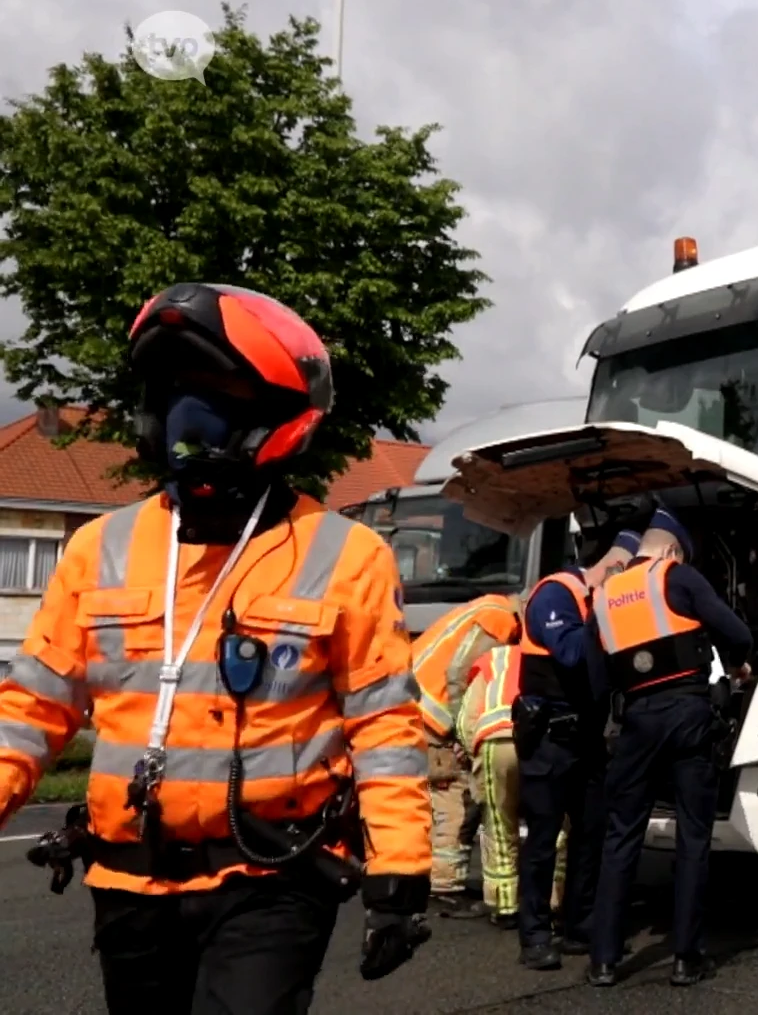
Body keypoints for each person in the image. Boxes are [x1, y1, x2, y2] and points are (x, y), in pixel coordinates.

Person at [0, 282, 433, 1013]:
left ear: (277, 416)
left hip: (274, 876)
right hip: (131, 882)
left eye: (220, 393)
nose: (189, 417)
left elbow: (385, 725)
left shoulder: (344, 554)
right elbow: (30, 711)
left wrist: (400, 871)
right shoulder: (99, 548)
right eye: (176, 393)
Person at [587, 509, 753, 988]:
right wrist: (739, 666)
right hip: (688, 718)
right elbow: (737, 633)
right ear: (672, 550)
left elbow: (599, 683)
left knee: (621, 839)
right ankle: (686, 958)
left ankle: (603, 961)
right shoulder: (676, 576)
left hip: (637, 721)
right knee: (693, 838)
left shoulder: (603, 597)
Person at [512, 515, 632, 970]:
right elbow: (570, 652)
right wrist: (603, 606)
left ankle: (578, 924)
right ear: (614, 563)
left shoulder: (596, 602)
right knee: (543, 840)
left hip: (585, 738)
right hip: (549, 739)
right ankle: (535, 935)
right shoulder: (556, 593)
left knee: (591, 834)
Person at [410, 593, 521, 916]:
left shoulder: (489, 607)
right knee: (455, 796)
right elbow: (461, 672)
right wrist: (463, 730)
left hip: (419, 702)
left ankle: (444, 877)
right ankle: (444, 885)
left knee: (448, 794)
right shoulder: (500, 620)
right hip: (432, 714)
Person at [453, 631, 565, 931]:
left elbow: (466, 719)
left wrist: (469, 749)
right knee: (555, 825)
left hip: (495, 742)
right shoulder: (551, 655)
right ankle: (554, 899)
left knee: (499, 826)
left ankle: (505, 906)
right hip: (540, 742)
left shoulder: (492, 659)